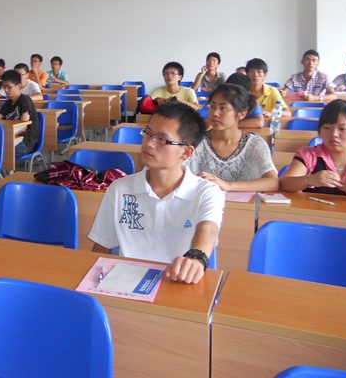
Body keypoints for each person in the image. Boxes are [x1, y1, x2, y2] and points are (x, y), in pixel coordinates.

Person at [88, 102, 224, 284]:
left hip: (178, 282)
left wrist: (196, 258)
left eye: (161, 139)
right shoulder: (120, 188)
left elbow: (208, 229)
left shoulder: (206, 192)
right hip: (125, 283)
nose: (149, 143)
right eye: (148, 133)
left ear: (186, 152)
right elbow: (102, 245)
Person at [280, 99, 346, 199]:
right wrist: (309, 180)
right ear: (319, 132)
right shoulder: (309, 155)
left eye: (342, 129)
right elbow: (284, 183)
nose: (334, 134)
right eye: (327, 128)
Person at [188, 84, 278, 192]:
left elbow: (273, 182)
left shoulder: (255, 144)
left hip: (246, 203)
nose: (215, 113)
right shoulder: (196, 141)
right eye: (212, 106)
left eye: (223, 108)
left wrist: (228, 186)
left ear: (241, 114)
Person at [0, 70, 40, 158]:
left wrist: (4, 135)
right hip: (10, 138)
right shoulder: (8, 103)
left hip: (25, 142)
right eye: (4, 87)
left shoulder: (25, 100)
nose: (6, 90)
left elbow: (23, 126)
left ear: (18, 86)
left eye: (9, 87)